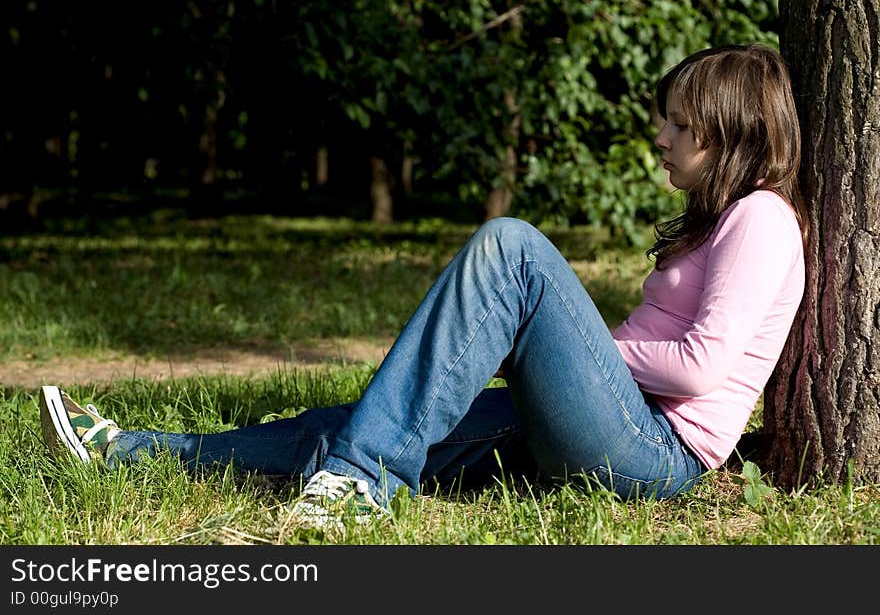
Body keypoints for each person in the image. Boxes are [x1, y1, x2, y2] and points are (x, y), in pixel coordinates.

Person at [39, 43, 807, 531]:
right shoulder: (721, 218)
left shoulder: (762, 217)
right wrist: (551, 353)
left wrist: (567, 349)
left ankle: (360, 483)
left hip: (653, 451)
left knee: (514, 247)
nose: (661, 138)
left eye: (678, 124)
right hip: (621, 422)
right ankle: (133, 451)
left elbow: (702, 367)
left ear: (728, 129)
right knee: (371, 417)